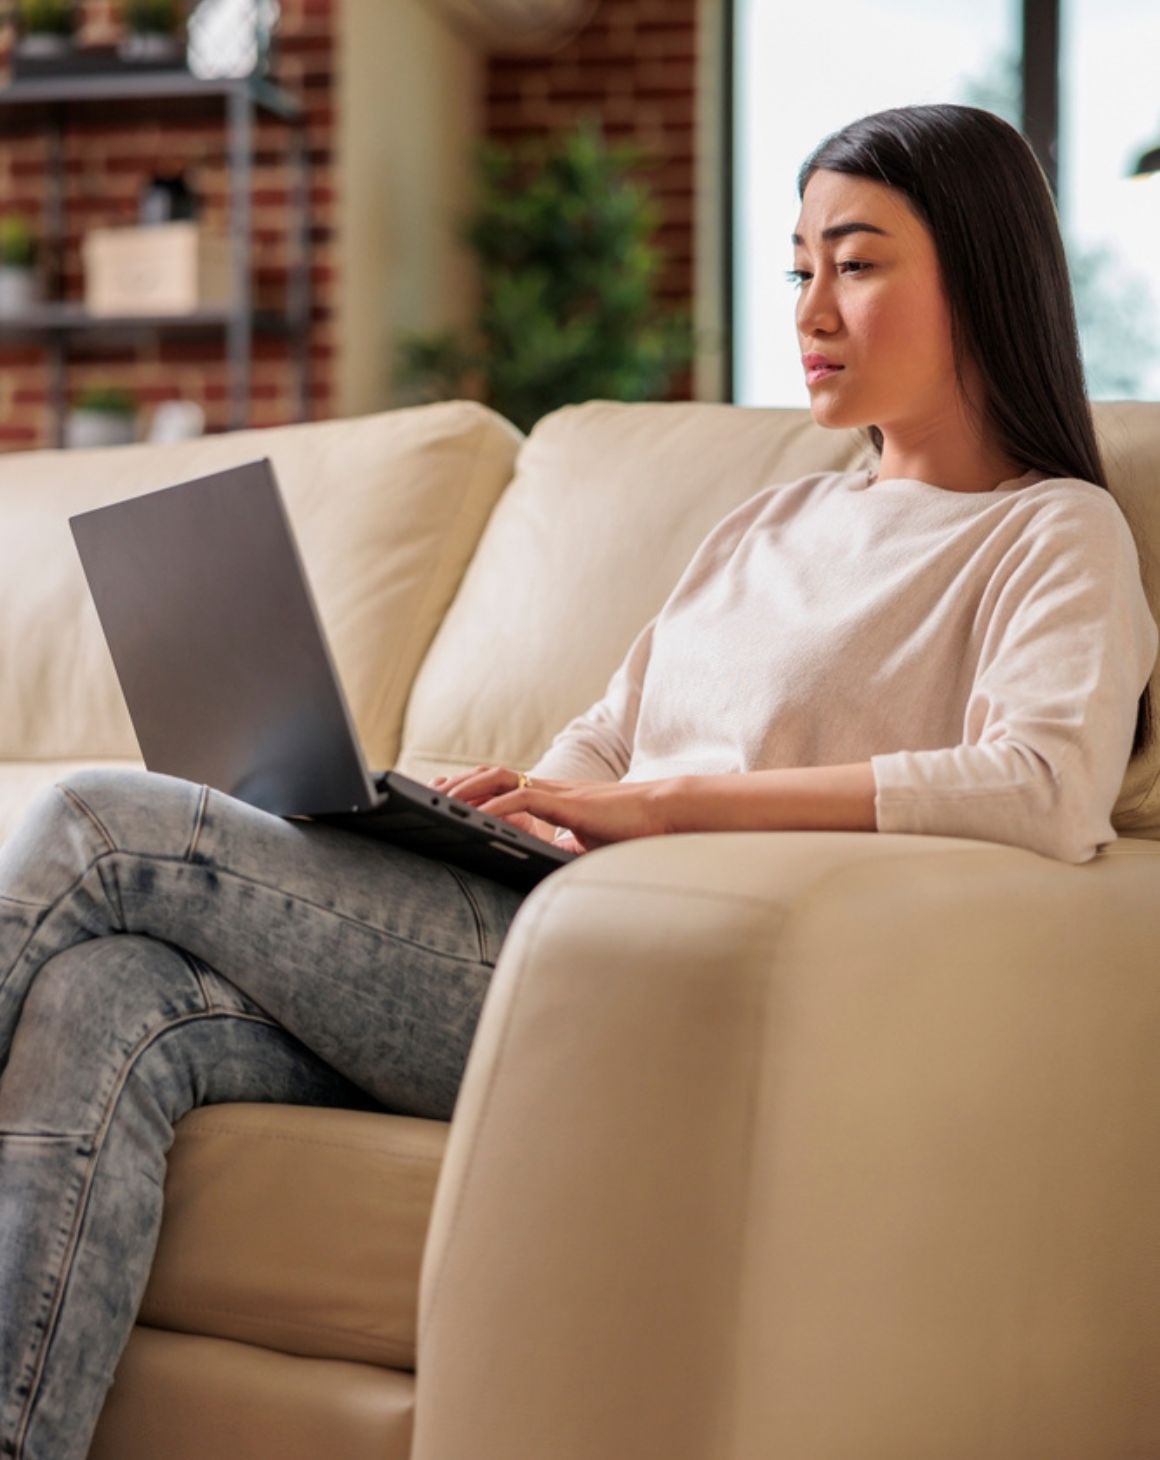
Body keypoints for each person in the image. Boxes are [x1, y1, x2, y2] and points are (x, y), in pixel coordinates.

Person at [1, 101, 1156, 1459]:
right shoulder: (773, 519)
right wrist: (496, 811)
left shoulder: (1051, 535)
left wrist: (661, 811)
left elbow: (1039, 789)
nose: (813, 305)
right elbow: (605, 739)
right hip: (523, 907)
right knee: (111, 995)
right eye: (798, 267)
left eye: (857, 260)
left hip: (616, 977)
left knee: (94, 822)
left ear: (981, 271)